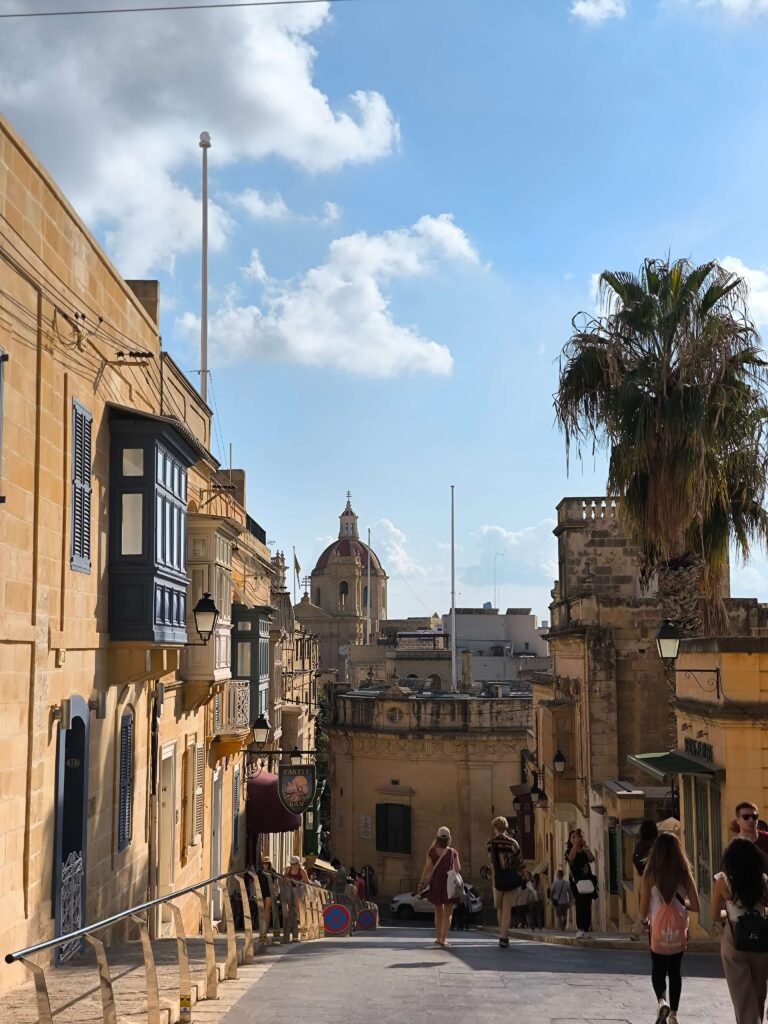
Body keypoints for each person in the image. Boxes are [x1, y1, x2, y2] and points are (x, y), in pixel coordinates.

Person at [639, 831, 700, 1024]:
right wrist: (681, 904)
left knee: (658, 968)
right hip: (679, 927)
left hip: (657, 927)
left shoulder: (650, 875)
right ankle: (674, 1014)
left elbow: (643, 909)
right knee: (675, 971)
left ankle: (661, 1001)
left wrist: (643, 921)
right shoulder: (684, 873)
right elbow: (697, 906)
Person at [713, 837, 768, 1024]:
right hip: (761, 939)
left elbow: (715, 915)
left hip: (735, 938)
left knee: (742, 997)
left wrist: (730, 911)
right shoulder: (763, 880)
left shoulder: (723, 881)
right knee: (759, 993)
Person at [418, 825, 461, 948]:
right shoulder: (453, 852)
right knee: (448, 914)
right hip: (449, 885)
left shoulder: (432, 852)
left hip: (436, 883)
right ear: (449, 838)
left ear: (437, 837)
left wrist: (421, 883)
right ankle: (444, 939)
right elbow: (458, 869)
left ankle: (438, 937)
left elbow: (427, 869)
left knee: (438, 913)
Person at [486, 815, 524, 948]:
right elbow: (519, 861)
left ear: (495, 828)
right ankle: (504, 936)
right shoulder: (513, 843)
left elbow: (492, 861)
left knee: (500, 908)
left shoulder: (490, 844)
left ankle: (502, 934)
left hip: (497, 879)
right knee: (507, 909)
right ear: (506, 827)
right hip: (511, 878)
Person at [568, 829, 596, 937]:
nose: (576, 838)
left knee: (587, 905)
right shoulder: (569, 850)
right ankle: (580, 928)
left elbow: (592, 858)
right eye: (573, 837)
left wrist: (585, 845)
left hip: (588, 880)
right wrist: (575, 845)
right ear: (570, 840)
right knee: (579, 904)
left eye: (577, 836)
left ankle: (586, 928)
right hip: (577, 882)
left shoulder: (584, 850)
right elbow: (570, 859)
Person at [284, 855, 310, 940]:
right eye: (292, 864)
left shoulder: (302, 871)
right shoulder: (288, 869)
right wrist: (287, 881)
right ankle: (291, 926)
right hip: (289, 889)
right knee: (290, 908)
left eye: (295, 864)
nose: (293, 865)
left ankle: (301, 927)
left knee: (299, 909)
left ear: (298, 864)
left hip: (298, 890)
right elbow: (284, 877)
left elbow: (307, 881)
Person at [257, 857, 274, 932]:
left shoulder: (272, 871)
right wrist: (255, 892)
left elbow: (276, 883)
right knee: (261, 910)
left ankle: (266, 928)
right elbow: (255, 882)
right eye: (264, 863)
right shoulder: (259, 872)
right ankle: (262, 927)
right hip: (260, 891)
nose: (265, 865)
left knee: (267, 909)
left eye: (267, 863)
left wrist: (276, 892)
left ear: (269, 864)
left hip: (269, 892)